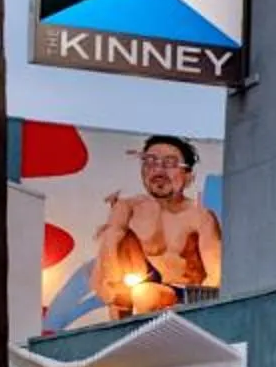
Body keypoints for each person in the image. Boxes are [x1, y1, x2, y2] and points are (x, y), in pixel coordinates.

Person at [93, 135, 223, 317]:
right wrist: (113, 288)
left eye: (169, 164)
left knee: (145, 294)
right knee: (124, 277)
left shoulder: (201, 217)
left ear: (188, 176)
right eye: (150, 162)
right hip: (137, 294)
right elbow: (109, 248)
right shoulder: (128, 208)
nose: (158, 171)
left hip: (184, 298)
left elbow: (215, 276)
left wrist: (198, 313)